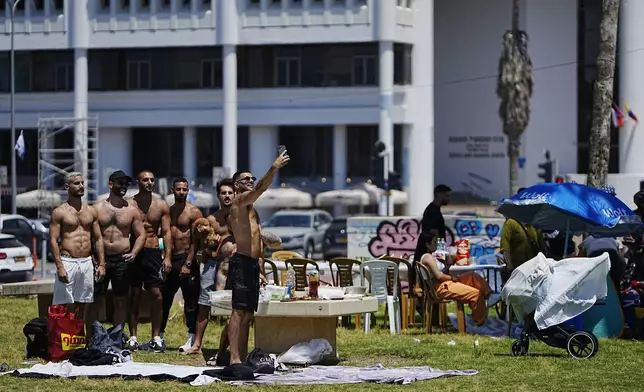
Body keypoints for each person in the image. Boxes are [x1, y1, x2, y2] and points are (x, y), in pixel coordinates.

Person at [227, 151, 289, 364]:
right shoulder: (239, 202)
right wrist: (274, 168)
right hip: (242, 262)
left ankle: (242, 357)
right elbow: (262, 188)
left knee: (247, 315)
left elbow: (258, 241)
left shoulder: (251, 210)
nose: (251, 182)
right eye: (246, 179)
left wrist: (260, 269)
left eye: (252, 178)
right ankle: (234, 358)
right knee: (238, 312)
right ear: (236, 185)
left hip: (252, 264)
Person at [89, 170, 145, 334]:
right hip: (101, 260)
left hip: (122, 260)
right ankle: (95, 336)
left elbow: (141, 234)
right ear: (111, 184)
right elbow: (90, 235)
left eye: (127, 184)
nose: (124, 186)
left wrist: (134, 253)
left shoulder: (131, 210)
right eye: (120, 182)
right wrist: (93, 257)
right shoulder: (97, 208)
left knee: (121, 300)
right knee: (97, 300)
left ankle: (117, 336)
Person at [50, 172, 105, 340]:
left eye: (82, 183)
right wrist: (59, 266)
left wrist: (102, 263)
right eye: (76, 183)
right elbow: (53, 240)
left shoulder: (91, 211)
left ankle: (78, 339)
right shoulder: (59, 212)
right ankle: (62, 340)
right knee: (66, 303)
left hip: (87, 261)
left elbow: (98, 238)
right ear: (67, 187)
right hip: (68, 261)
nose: (81, 186)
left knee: (83, 303)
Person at [127, 170, 172, 352]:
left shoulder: (161, 205)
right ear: (138, 182)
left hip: (153, 251)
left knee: (157, 295)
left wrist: (167, 256)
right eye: (145, 180)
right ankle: (133, 336)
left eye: (152, 179)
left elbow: (167, 232)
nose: (149, 182)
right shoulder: (130, 204)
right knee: (134, 295)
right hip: (134, 253)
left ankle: (156, 337)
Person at [161, 177, 204, 352]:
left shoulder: (194, 212)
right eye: (178, 189)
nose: (181, 192)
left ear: (188, 191)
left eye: (184, 189)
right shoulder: (168, 212)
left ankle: (191, 337)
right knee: (164, 299)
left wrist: (189, 262)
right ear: (173, 190)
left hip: (188, 258)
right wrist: (165, 256)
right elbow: (163, 235)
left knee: (191, 301)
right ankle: (159, 336)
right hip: (171, 259)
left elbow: (196, 241)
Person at [414, 231, 492, 326]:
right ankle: (479, 323)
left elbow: (442, 273)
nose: (437, 245)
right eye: (435, 242)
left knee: (472, 276)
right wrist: (451, 278)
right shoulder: (427, 257)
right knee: (475, 294)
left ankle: (488, 294)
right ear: (427, 245)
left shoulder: (433, 256)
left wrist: (446, 265)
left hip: (445, 282)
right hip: (440, 287)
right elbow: (439, 276)